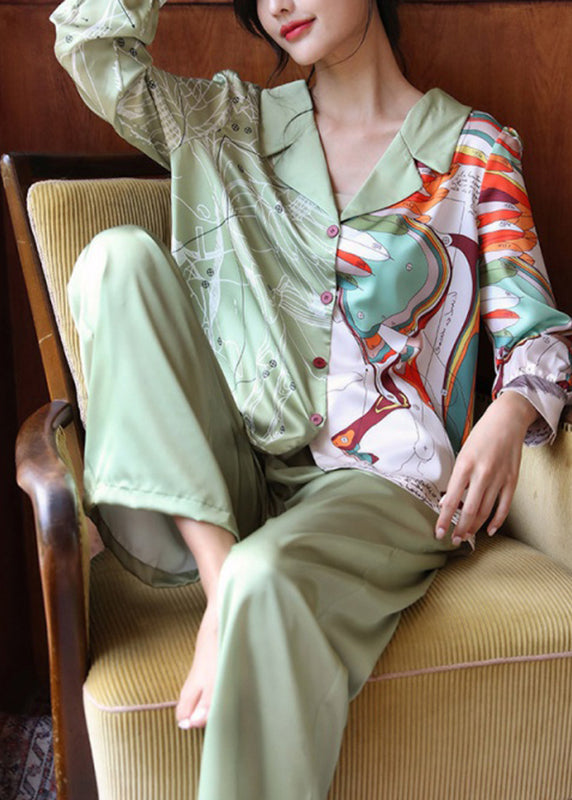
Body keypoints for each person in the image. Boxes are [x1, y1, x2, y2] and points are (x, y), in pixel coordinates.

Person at [50, 0, 572, 797]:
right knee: (114, 260)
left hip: (380, 484)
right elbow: (92, 50)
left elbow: (536, 332)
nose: (279, 6)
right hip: (228, 468)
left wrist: (510, 413)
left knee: (269, 578)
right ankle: (222, 587)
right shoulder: (228, 123)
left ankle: (246, 591)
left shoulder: (472, 151)